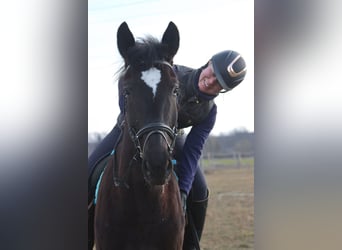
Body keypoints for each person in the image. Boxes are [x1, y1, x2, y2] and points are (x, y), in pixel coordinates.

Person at [88, 50, 247, 250]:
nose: (210, 82)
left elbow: (193, 150)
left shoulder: (209, 111)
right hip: (130, 130)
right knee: (88, 171)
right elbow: (128, 86)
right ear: (208, 63)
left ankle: (191, 243)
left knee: (199, 189)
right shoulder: (170, 72)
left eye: (219, 85)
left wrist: (183, 190)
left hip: (173, 138)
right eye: (213, 74)